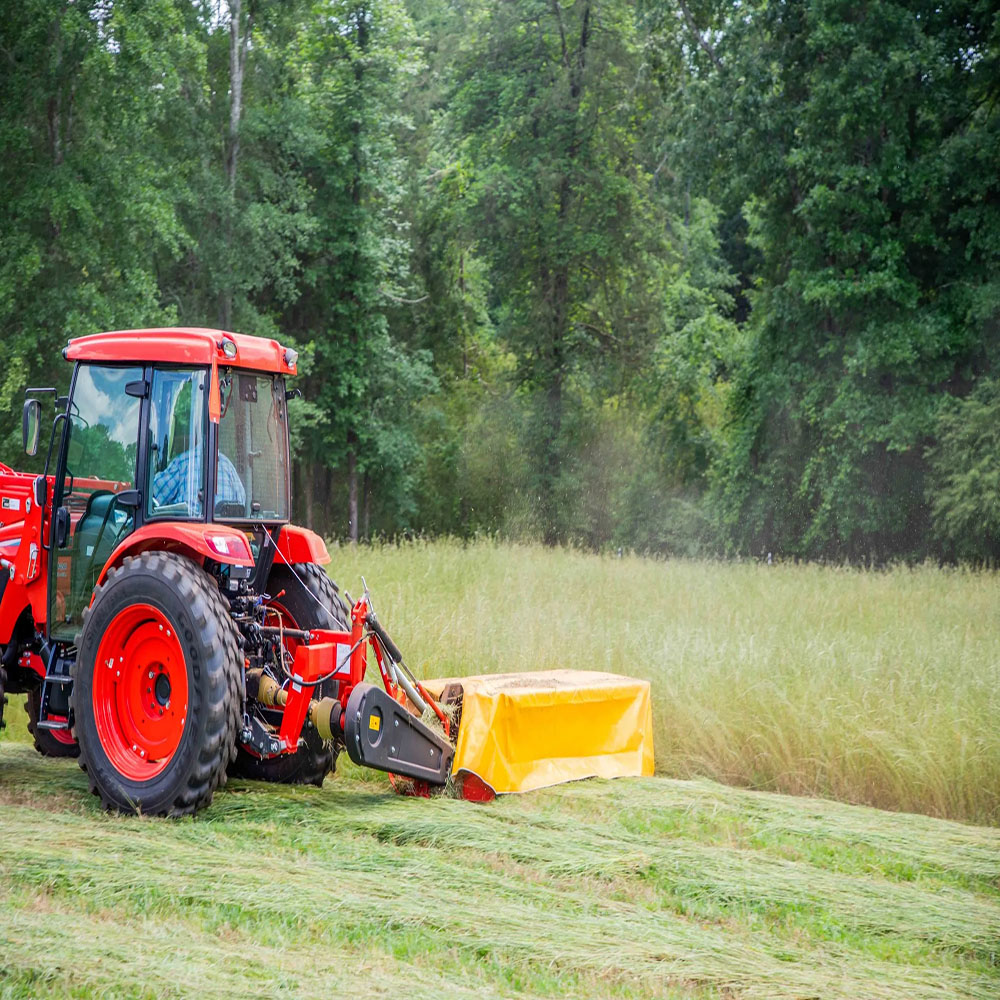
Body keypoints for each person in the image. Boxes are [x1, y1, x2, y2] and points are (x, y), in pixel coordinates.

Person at [151, 446, 246, 514]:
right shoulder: (228, 466)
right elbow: (241, 502)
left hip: (187, 532)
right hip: (223, 533)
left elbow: (154, 493)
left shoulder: (183, 462)